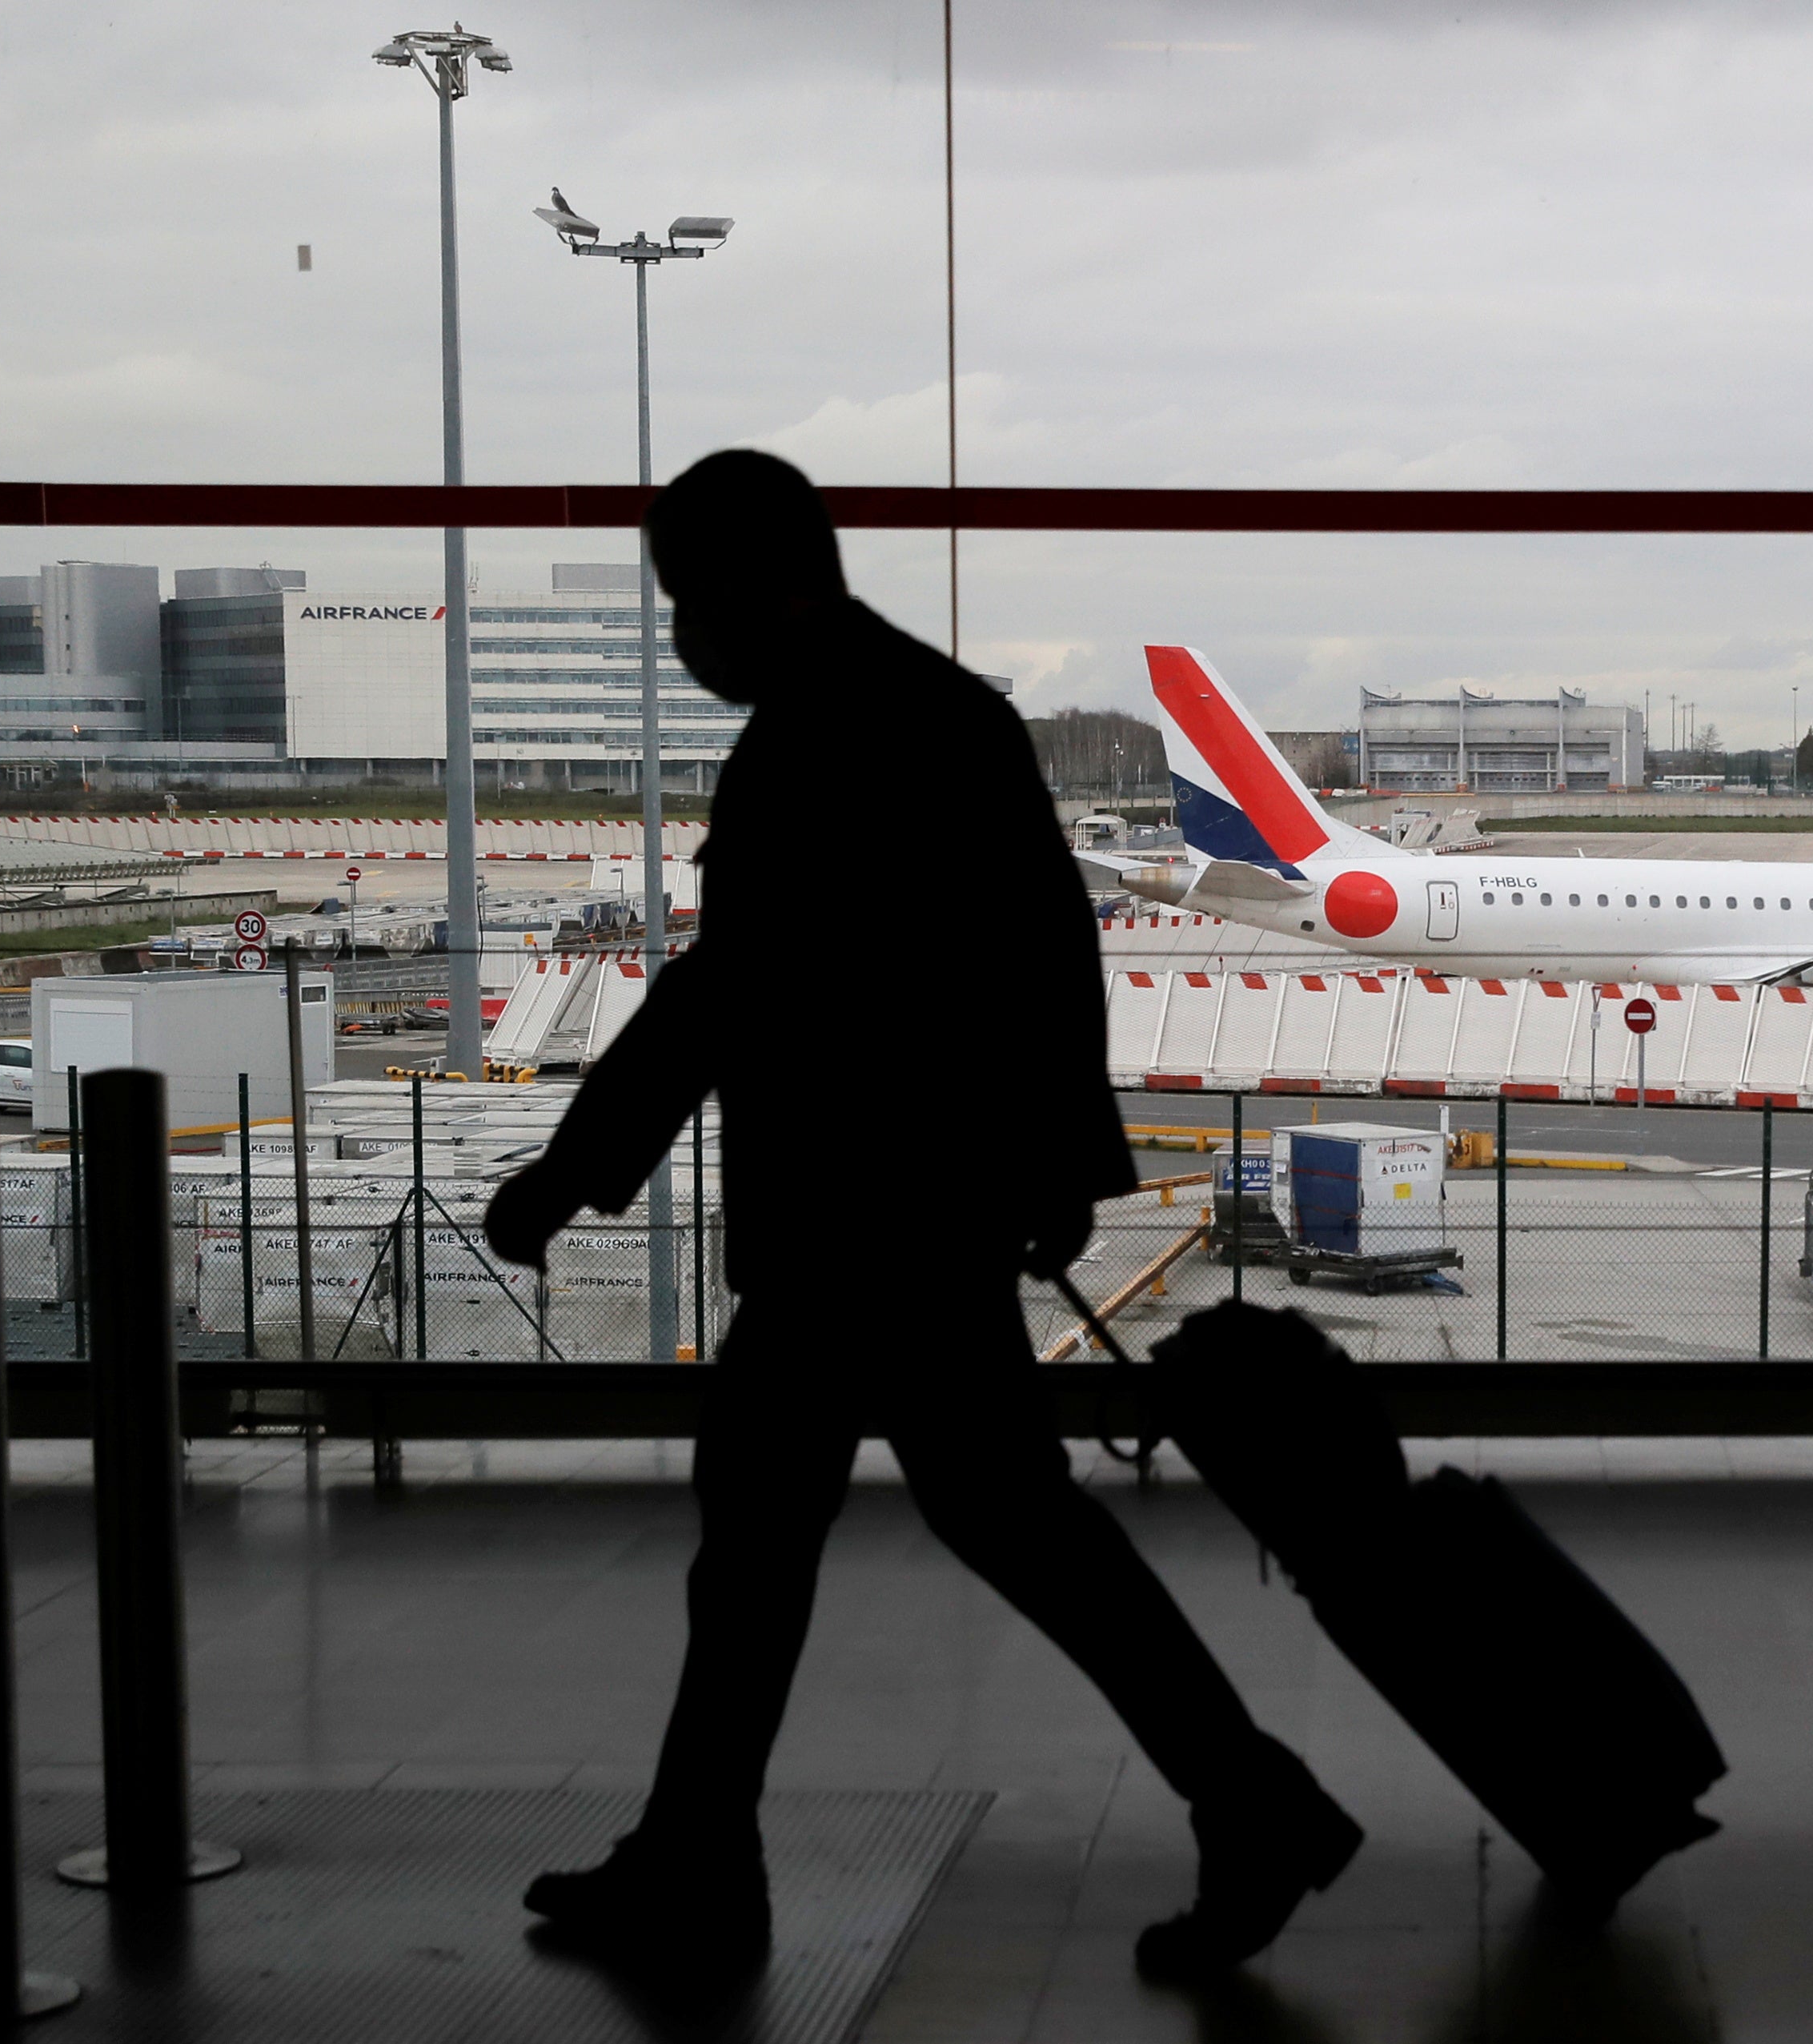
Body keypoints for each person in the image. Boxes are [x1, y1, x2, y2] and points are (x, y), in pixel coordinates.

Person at [483, 449, 1359, 1979]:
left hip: (862, 1223)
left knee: (832, 1539)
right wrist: (1056, 1172)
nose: (686, 633)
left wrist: (571, 1167)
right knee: (894, 1532)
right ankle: (709, 1848)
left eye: (689, 598)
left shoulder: (824, 739)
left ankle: (1246, 1800)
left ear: (758, 578)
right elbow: (1046, 960)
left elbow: (728, 991)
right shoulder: (940, 712)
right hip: (922, 1211)